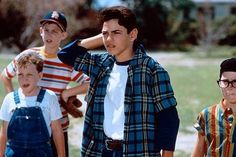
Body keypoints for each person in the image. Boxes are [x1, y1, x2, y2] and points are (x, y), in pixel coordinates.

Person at [58, 6, 179, 157]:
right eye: (105, 34)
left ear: (133, 34)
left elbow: (169, 119)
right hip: (101, 151)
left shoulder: (152, 70)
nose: (109, 39)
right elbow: (65, 54)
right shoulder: (100, 65)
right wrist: (104, 36)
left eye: (116, 33)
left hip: (138, 151)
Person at [0, 11, 89, 157]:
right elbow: (5, 75)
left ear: (63, 35)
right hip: (26, 131)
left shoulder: (68, 62)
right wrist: (13, 99)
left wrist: (68, 93)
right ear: (41, 32)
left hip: (58, 128)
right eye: (46, 30)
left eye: (55, 31)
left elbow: (89, 83)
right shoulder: (28, 55)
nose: (49, 35)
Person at [0, 51, 65, 157]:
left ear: (40, 75)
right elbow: (4, 132)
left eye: (29, 74)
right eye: (20, 75)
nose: (24, 79)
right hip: (14, 153)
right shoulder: (10, 98)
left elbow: (57, 130)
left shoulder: (49, 97)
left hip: (42, 152)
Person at [192, 58, 236, 157]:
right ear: (220, 83)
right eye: (225, 82)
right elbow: (198, 151)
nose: (230, 87)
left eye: (235, 82)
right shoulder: (205, 115)